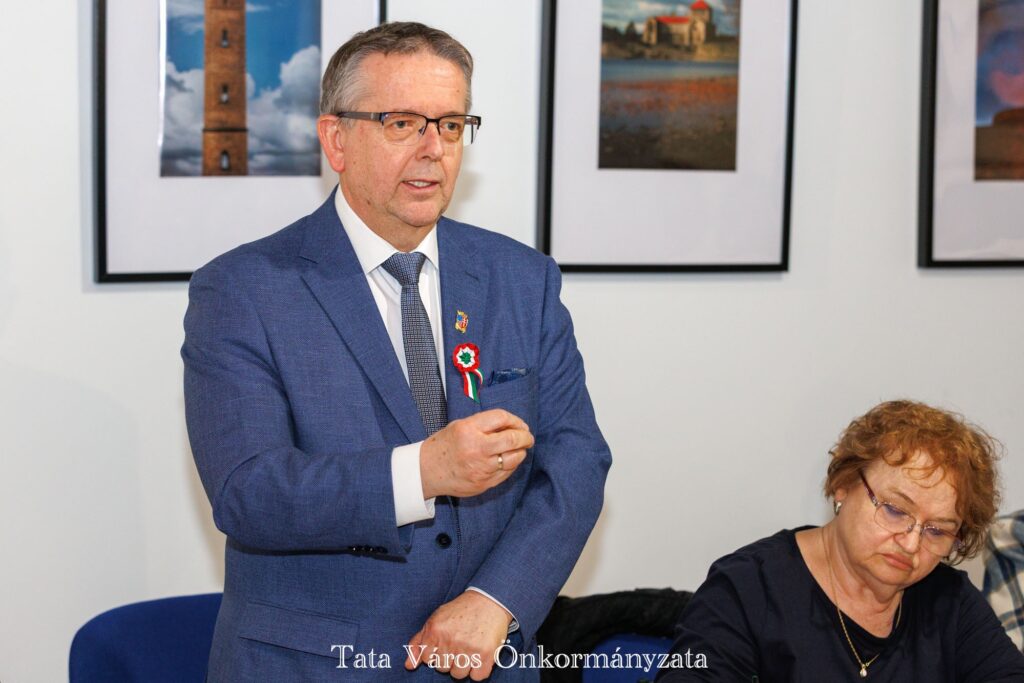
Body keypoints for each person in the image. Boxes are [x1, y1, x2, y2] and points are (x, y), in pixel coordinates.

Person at [182, 22, 611, 682]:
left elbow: (576, 461)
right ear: (337, 140)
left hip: (486, 659)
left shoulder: (522, 279)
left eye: (451, 125)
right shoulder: (244, 289)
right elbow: (249, 492)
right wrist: (423, 472)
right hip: (316, 666)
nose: (433, 149)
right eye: (402, 123)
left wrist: (497, 600)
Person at [657, 400, 1024, 682]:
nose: (912, 544)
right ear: (843, 485)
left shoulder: (949, 601)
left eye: (937, 531)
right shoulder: (747, 589)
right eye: (895, 510)